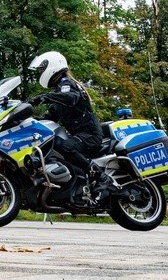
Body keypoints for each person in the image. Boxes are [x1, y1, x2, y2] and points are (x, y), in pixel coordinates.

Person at [27, 50, 112, 202]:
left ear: (52, 66)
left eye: (42, 69)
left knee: (66, 147)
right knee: (54, 144)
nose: (40, 73)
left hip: (90, 134)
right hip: (81, 135)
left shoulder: (66, 83)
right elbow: (48, 119)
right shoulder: (59, 94)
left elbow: (71, 98)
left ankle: (101, 176)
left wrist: (44, 97)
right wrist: (26, 121)